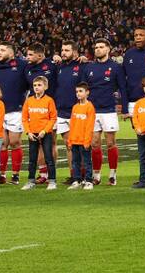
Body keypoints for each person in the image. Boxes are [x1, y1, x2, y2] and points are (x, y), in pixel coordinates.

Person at [83, 38, 127, 186]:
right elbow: (83, 90)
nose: (98, 49)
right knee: (95, 144)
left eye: (101, 47)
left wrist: (125, 109)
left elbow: (123, 89)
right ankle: (96, 175)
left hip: (108, 110)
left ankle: (113, 175)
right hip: (92, 111)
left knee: (110, 143)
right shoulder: (88, 67)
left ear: (108, 49)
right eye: (96, 47)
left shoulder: (115, 67)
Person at [0, 43, 28, 186]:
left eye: (2, 50)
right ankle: (1, 175)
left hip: (16, 110)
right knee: (2, 144)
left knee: (14, 142)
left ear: (12, 53)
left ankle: (15, 174)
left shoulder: (22, 65)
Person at [53, 41, 86, 185]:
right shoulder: (59, 67)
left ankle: (85, 174)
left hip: (76, 111)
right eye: (62, 50)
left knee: (81, 144)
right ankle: (74, 174)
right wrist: (53, 58)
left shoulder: (82, 66)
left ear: (75, 52)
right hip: (61, 111)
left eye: (67, 50)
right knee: (69, 144)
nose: (63, 52)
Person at [23, 44, 56, 184]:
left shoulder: (53, 65)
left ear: (40, 55)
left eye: (30, 55)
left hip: (51, 107)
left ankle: (50, 175)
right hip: (35, 108)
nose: (27, 57)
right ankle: (43, 173)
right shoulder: (27, 68)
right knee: (38, 146)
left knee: (51, 143)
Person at [66, 84, 95, 190]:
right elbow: (72, 124)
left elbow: (89, 126)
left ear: (87, 92)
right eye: (77, 91)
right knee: (75, 161)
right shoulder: (75, 107)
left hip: (84, 140)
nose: (78, 93)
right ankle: (76, 180)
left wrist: (87, 140)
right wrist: (70, 140)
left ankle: (88, 181)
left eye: (81, 91)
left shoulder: (89, 107)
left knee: (87, 161)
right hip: (74, 140)